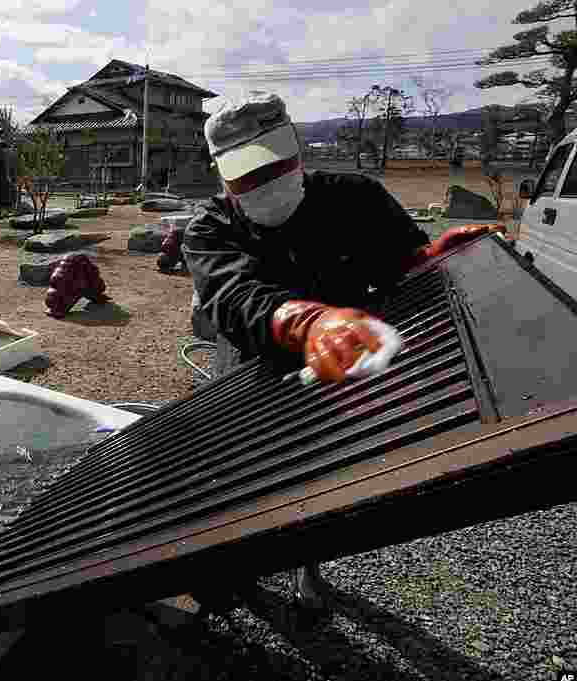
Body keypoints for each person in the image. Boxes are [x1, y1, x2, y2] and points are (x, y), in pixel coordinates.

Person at [182, 93, 500, 609]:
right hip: (248, 376)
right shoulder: (211, 228)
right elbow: (235, 296)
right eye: (246, 171)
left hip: (336, 371)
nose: (266, 179)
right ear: (221, 173)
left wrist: (434, 261)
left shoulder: (356, 197)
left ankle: (306, 563)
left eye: (275, 160)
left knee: (317, 474)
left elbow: (402, 264)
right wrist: (308, 321)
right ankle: (229, 562)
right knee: (238, 474)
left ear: (296, 149)